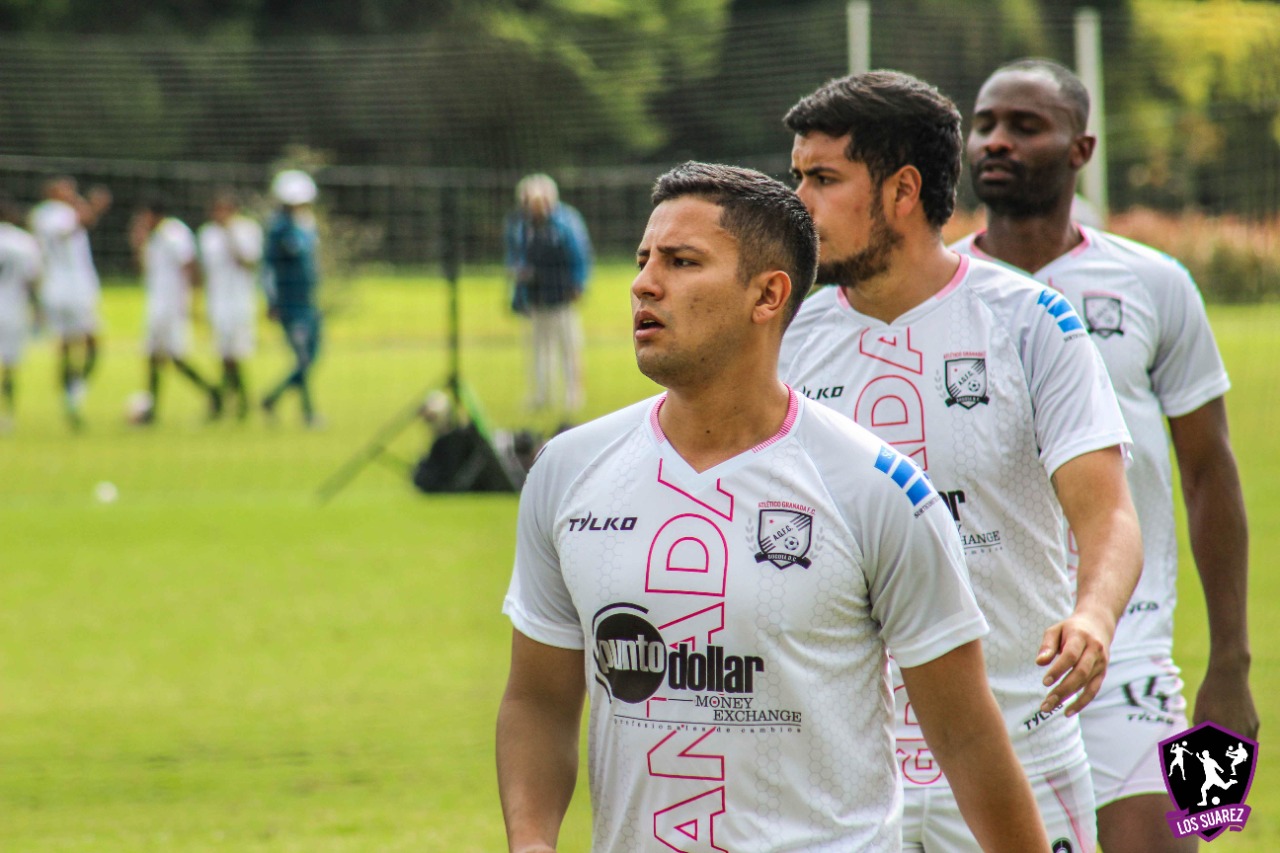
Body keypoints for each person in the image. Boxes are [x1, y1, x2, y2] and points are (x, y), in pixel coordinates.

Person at [497, 161, 1051, 852]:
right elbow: (539, 700)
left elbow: (967, 735)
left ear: (768, 294)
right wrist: (530, 841)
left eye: (681, 260)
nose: (644, 281)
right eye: (644, 259)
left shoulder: (875, 488)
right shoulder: (568, 472)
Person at [779, 71, 1143, 853]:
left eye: (823, 179)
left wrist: (1094, 614)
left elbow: (1107, 510)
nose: (798, 202)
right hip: (839, 774)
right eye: (796, 178)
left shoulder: (1031, 321)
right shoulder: (787, 340)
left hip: (1017, 748)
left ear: (902, 190)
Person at [955, 58, 1256, 853]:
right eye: (985, 124)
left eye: (1025, 126)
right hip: (980, 661)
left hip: (1134, 645)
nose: (996, 141)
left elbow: (1209, 472)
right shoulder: (939, 293)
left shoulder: (1156, 283)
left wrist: (1230, 661)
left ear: (1081, 148)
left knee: (1182, 835)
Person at [503, 173, 592, 414]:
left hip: (562, 294)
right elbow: (513, 255)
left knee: (568, 347)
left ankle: (573, 395)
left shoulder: (566, 222)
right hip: (534, 297)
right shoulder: (520, 225)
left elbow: (580, 254)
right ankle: (541, 395)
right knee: (537, 350)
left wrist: (579, 284)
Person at [129, 195, 221, 424]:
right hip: (156, 304)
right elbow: (145, 270)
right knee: (153, 357)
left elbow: (190, 266)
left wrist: (194, 301)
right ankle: (152, 409)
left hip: (172, 306)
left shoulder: (175, 233)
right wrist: (138, 244)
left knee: (175, 357)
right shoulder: (153, 239)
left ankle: (213, 392)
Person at [29, 175, 111, 428]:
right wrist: (92, 207)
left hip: (58, 286)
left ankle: (70, 394)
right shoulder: (52, 213)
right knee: (90, 343)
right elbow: (74, 226)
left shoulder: (44, 214)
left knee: (68, 344)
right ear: (52, 192)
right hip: (70, 289)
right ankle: (74, 392)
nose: (71, 193)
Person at [261, 169, 323, 427]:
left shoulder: (306, 225)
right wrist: (272, 302)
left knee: (313, 355)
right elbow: (267, 270)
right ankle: (308, 413)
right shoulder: (278, 230)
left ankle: (272, 399)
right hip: (289, 305)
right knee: (302, 358)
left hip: (309, 302)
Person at [198, 189, 264, 420]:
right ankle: (235, 400)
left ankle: (228, 400)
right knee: (223, 354)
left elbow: (248, 262)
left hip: (240, 301)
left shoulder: (247, 230)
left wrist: (230, 235)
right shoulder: (207, 234)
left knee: (235, 353)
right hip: (217, 301)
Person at [0, 194, 42, 429]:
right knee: (9, 365)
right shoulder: (25, 242)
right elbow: (32, 278)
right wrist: (37, 310)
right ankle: (7, 414)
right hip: (13, 308)